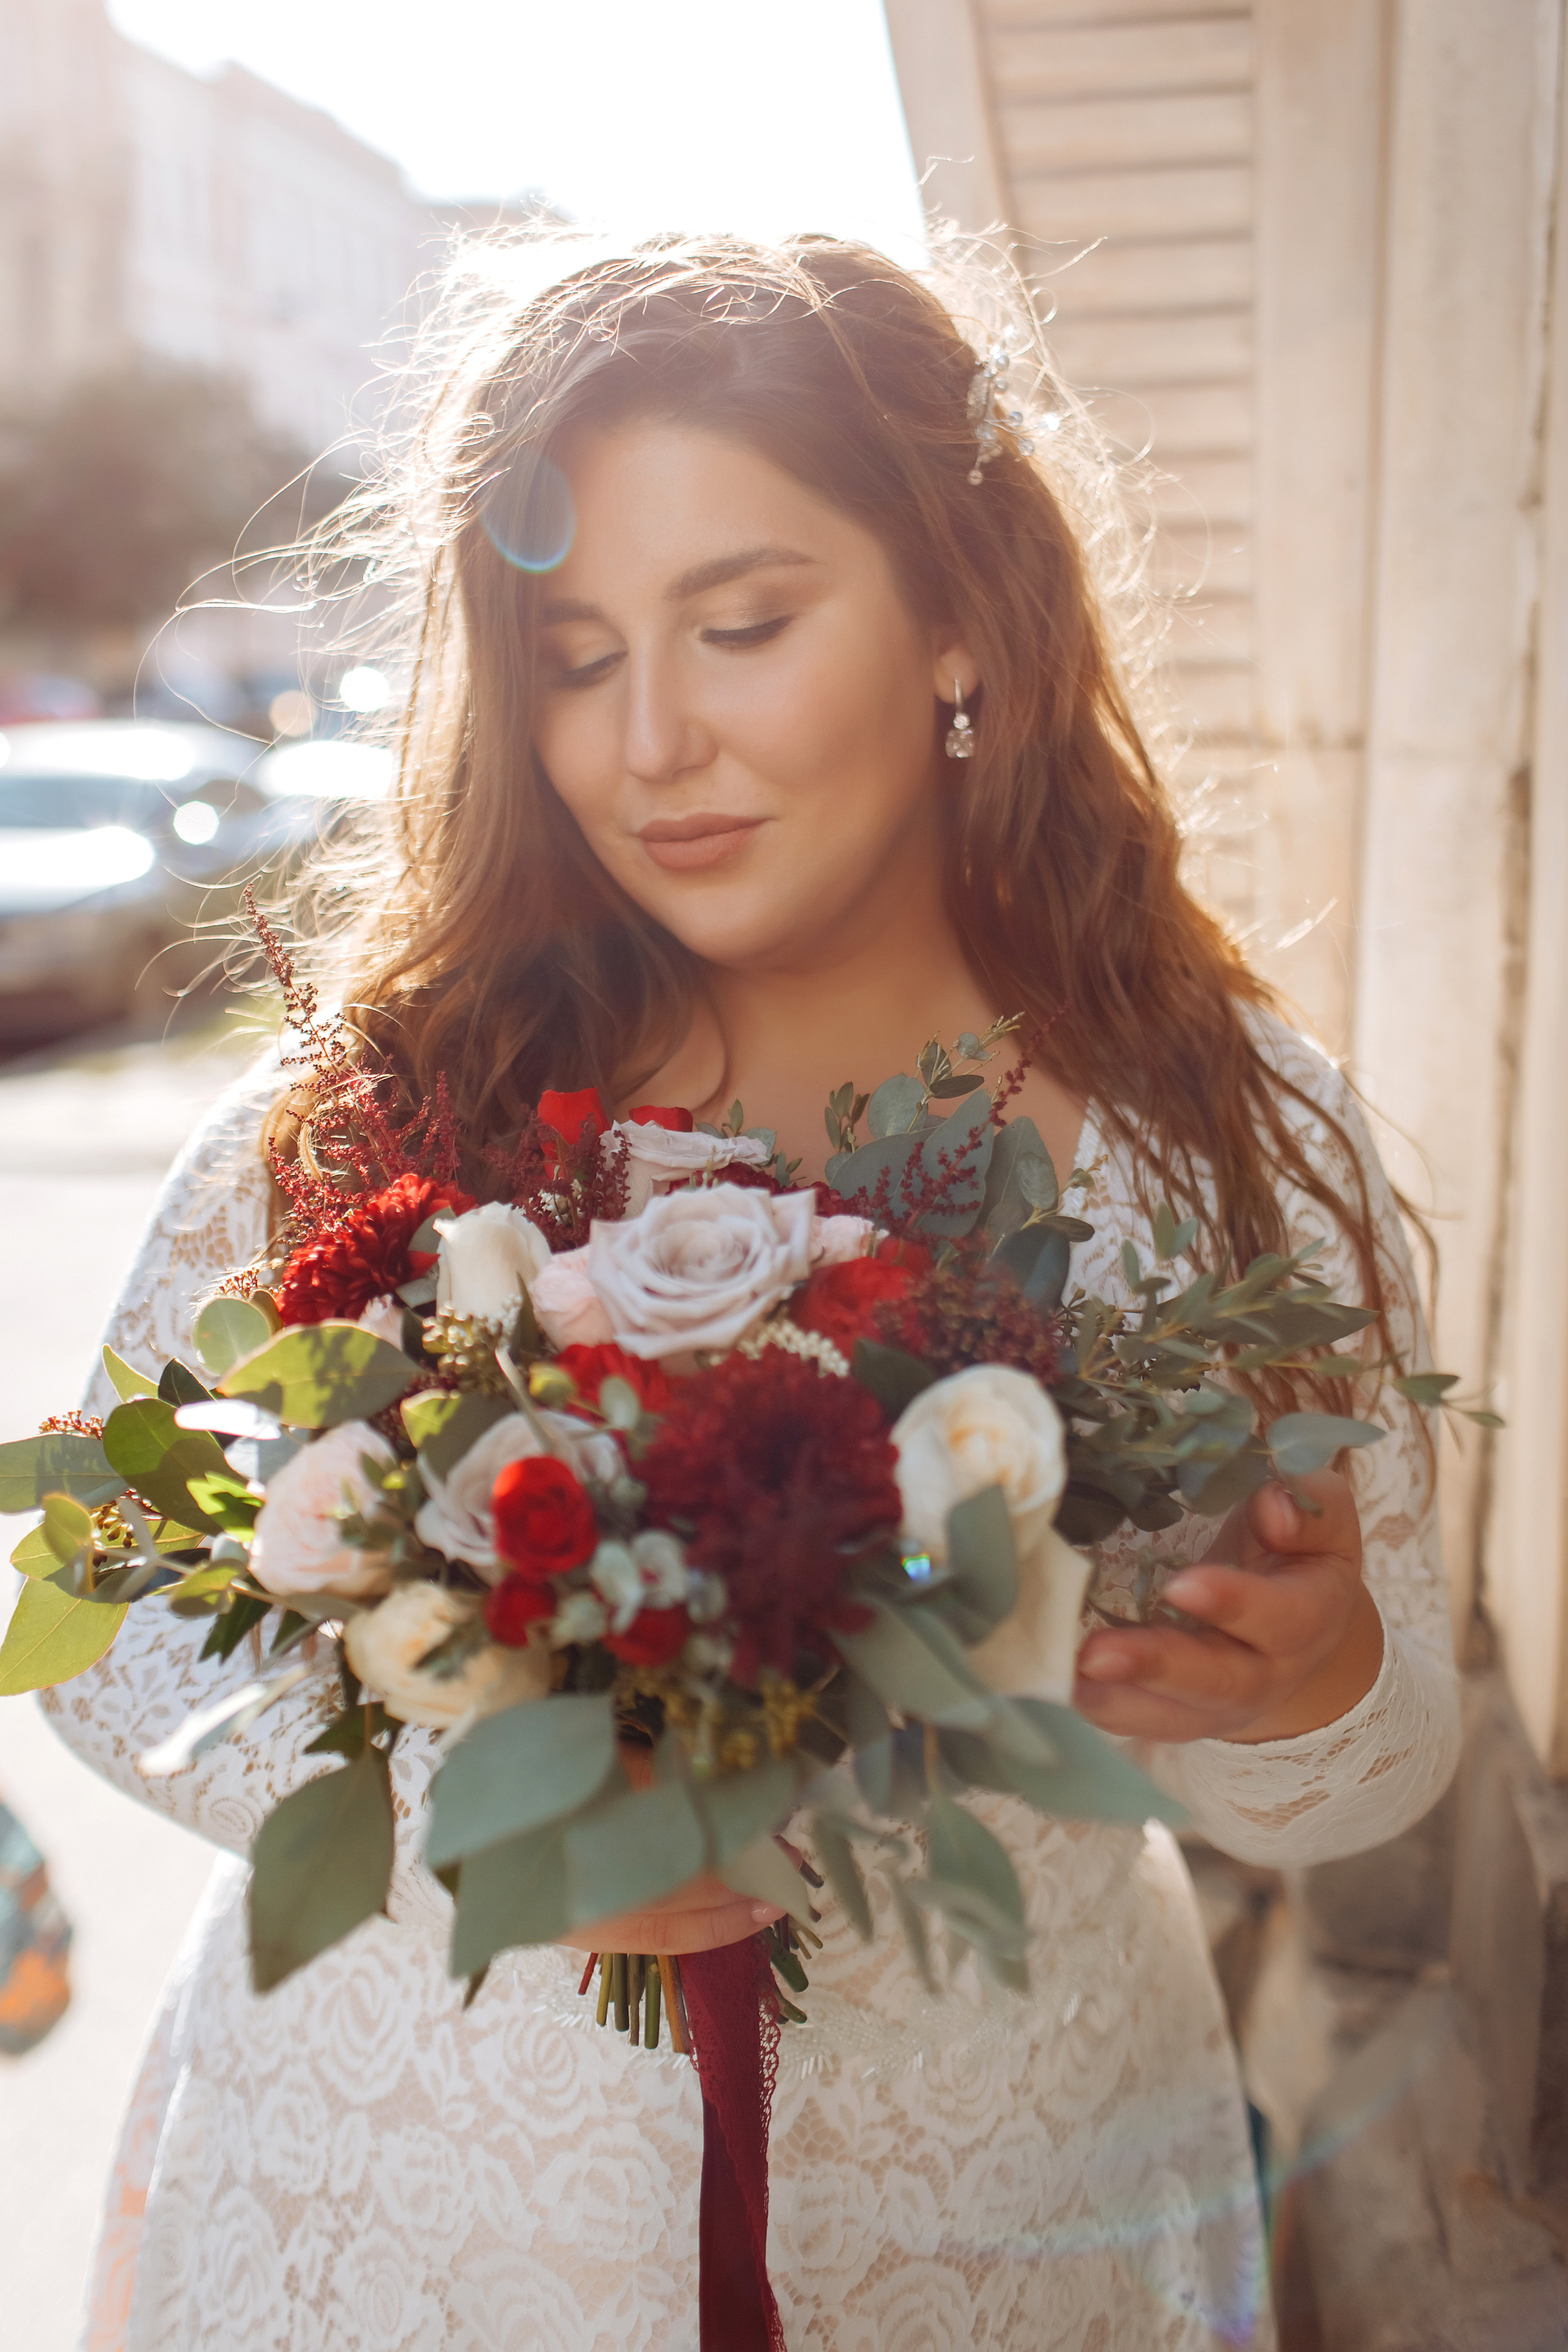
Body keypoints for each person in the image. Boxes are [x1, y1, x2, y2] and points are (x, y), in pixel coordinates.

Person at [44, 234, 1460, 2352]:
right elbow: (107, 1618)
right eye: (577, 656)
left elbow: (1378, 1765)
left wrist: (1311, 1689)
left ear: (961, 614)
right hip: (400, 2218)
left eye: (743, 625)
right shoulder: (393, 1102)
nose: (652, 742)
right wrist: (480, 1826)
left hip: (998, 2225)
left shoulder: (1216, 1141)